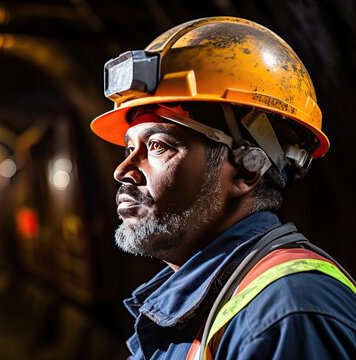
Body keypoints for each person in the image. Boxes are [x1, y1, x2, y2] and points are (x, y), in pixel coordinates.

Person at [90, 17, 356, 359]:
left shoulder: (289, 313)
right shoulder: (198, 302)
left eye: (158, 146)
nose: (122, 170)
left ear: (247, 171)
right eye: (129, 149)